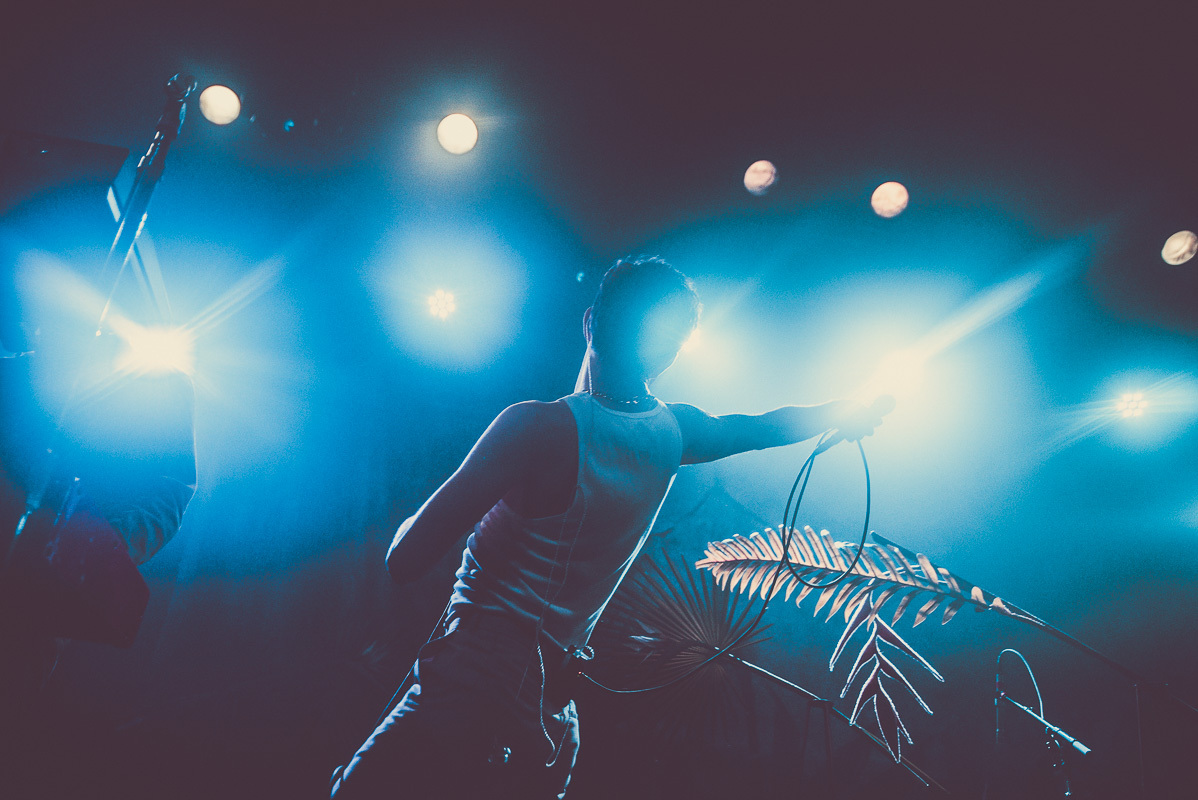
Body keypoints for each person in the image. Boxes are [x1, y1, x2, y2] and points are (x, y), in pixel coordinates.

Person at [331, 257, 890, 799]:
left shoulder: (533, 428)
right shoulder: (677, 434)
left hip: (474, 677)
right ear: (668, 354)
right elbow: (761, 426)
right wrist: (846, 408)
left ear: (591, 321)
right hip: (550, 710)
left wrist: (438, 503)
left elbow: (403, 560)